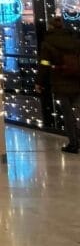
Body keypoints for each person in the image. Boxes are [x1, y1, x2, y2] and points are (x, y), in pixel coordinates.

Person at [38, 16, 80, 154]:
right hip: (76, 79)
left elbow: (44, 64)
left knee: (68, 115)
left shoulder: (48, 42)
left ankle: (73, 144)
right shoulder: (74, 40)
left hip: (60, 80)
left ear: (50, 26)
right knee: (77, 112)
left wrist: (39, 82)